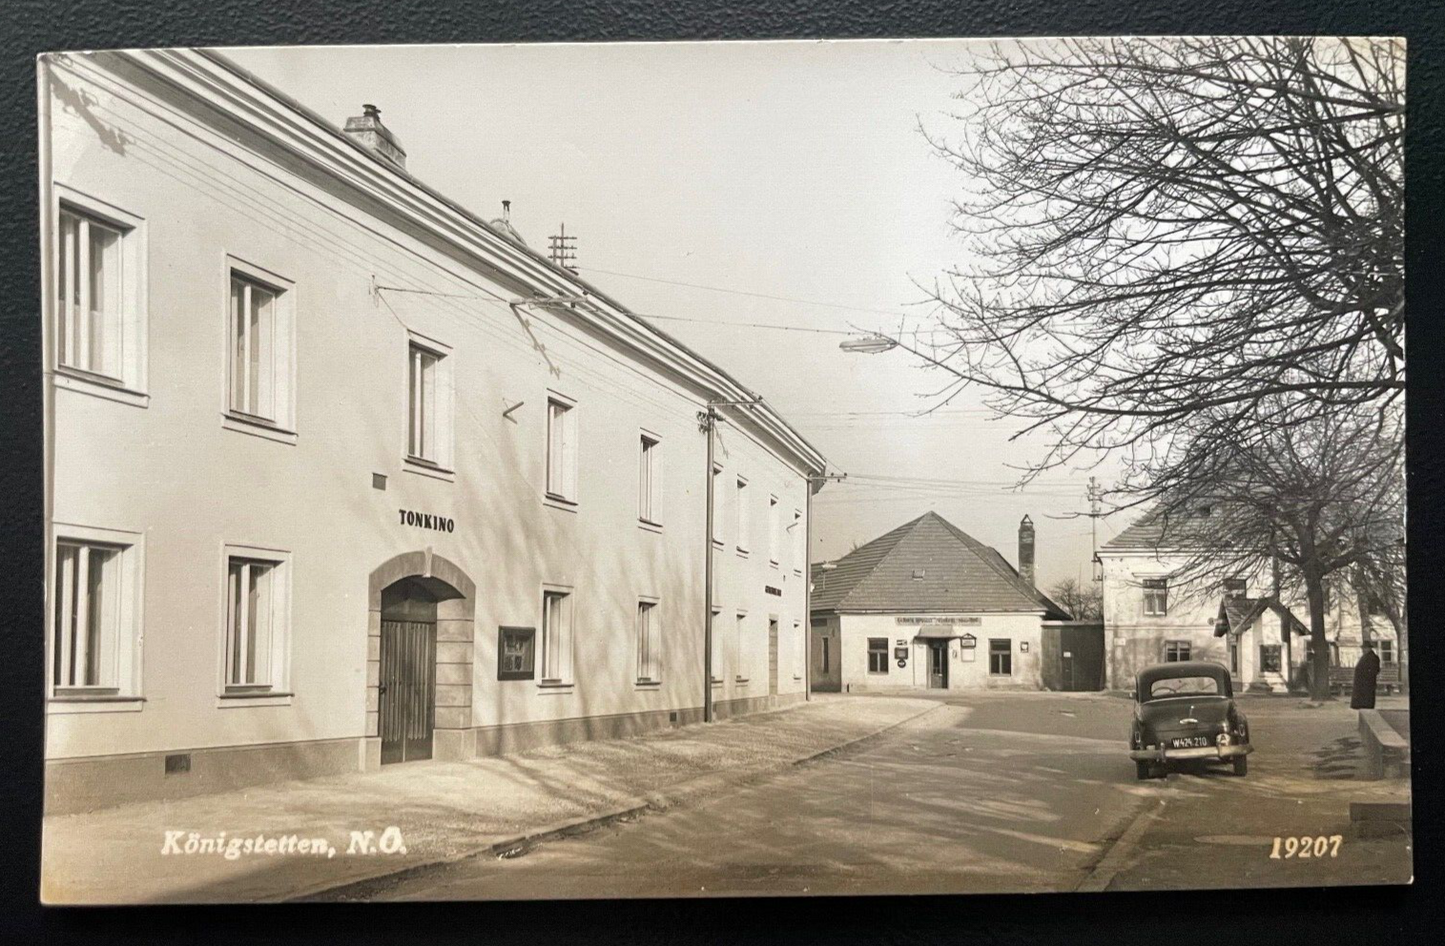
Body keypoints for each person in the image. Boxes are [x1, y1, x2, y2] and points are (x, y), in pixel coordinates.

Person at [1351, 641, 1382, 709]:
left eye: (1364, 648)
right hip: (1362, 682)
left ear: (1369, 648)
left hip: (1367, 682)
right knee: (1362, 699)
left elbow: (1375, 670)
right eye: (1363, 648)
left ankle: (1365, 708)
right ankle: (1362, 707)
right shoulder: (1365, 657)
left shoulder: (1373, 657)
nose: (1363, 650)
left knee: (1367, 699)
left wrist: (1366, 676)